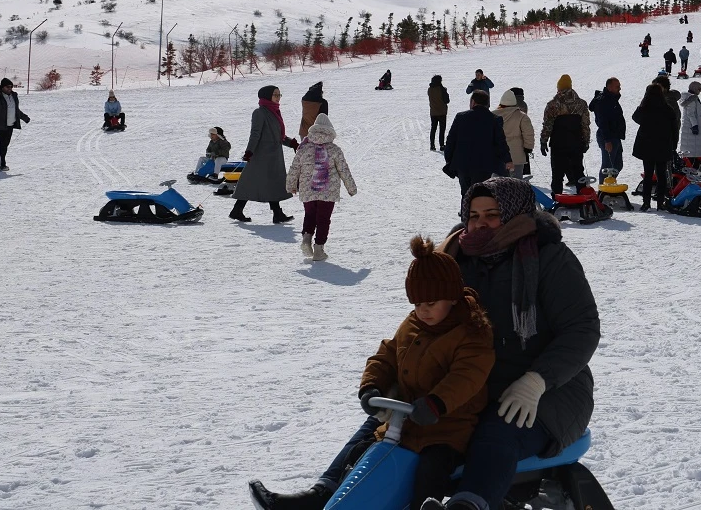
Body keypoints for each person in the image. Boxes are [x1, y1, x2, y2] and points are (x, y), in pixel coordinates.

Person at [250, 236, 495, 510]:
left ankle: (427, 505)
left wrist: (437, 402)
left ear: (451, 296)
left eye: (431, 302)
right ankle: (323, 496)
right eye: (417, 303)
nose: (423, 310)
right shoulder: (414, 323)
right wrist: (372, 386)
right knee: (360, 453)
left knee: (431, 468)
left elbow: (468, 375)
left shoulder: (471, 331)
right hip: (405, 420)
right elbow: (387, 354)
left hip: (447, 426)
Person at [426, 177, 599, 510]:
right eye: (473, 216)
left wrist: (537, 381)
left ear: (516, 212)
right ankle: (327, 490)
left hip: (552, 392)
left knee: (498, 432)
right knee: (396, 419)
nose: (480, 223)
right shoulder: (456, 257)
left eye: (492, 214)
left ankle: (468, 505)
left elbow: (582, 328)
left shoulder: (548, 256)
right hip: (476, 383)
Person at [287, 114, 357, 260]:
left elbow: (294, 168)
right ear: (330, 132)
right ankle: (319, 249)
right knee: (323, 219)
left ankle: (307, 239)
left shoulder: (304, 148)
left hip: (308, 190)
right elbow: (344, 170)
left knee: (310, 215)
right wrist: (351, 188)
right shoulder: (334, 149)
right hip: (328, 191)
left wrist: (291, 185)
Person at [230, 85, 297, 224]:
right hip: (262, 155)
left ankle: (240, 210)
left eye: (279, 95)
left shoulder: (274, 111)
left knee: (271, 183)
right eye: (275, 95)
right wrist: (249, 152)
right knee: (254, 182)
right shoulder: (259, 112)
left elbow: (278, 135)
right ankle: (274, 213)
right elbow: (255, 134)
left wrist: (292, 143)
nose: (278, 98)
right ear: (267, 96)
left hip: (273, 154)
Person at [445, 91, 511, 197]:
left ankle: (466, 212)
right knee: (480, 196)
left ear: (473, 102)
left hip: (463, 165)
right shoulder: (494, 119)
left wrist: (449, 161)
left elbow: (450, 141)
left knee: (466, 195)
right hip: (484, 166)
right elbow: (500, 142)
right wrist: (508, 160)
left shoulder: (461, 117)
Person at [539, 75, 591, 195]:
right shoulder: (581, 104)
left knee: (557, 173)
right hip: (576, 142)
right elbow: (585, 125)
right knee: (578, 171)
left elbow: (547, 125)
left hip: (558, 143)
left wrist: (543, 141)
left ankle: (557, 199)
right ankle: (583, 197)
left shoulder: (552, 104)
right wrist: (586, 141)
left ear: (558, 88)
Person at [632, 83, 677, 210]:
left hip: (647, 145)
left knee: (648, 174)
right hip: (663, 144)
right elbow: (674, 127)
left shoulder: (644, 107)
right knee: (661, 174)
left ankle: (646, 202)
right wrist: (673, 144)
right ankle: (660, 202)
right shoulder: (667, 108)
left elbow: (635, 118)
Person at [0, 78, 30, 171]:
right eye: (8, 87)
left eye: (11, 87)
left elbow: (15, 110)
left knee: (5, 145)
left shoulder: (14, 96)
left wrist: (24, 117)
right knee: (1, 144)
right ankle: (0, 165)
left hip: (9, 125)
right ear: (2, 87)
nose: (10, 89)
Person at [493, 90, 534, 180]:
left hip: (497, 156)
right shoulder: (522, 116)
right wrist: (528, 148)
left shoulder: (492, 115)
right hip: (517, 156)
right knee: (516, 184)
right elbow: (528, 133)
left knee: (496, 184)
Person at [588, 78, 624, 179]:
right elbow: (602, 122)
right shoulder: (603, 101)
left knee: (618, 165)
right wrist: (607, 140)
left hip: (615, 136)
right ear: (609, 87)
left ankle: (609, 186)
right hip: (608, 137)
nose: (619, 88)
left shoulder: (612, 99)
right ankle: (603, 191)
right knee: (607, 167)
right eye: (617, 86)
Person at [679, 81, 701, 162]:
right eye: (699, 89)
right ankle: (694, 163)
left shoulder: (691, 97)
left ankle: (693, 162)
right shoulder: (692, 98)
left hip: (689, 126)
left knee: (691, 147)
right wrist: (695, 125)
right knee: (693, 148)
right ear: (695, 88)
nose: (700, 91)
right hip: (692, 127)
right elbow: (690, 114)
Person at [428, 75, 451, 152]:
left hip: (433, 112)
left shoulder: (429, 89)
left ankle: (432, 145)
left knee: (433, 128)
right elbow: (447, 100)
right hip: (442, 112)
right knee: (442, 129)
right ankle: (441, 145)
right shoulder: (442, 89)